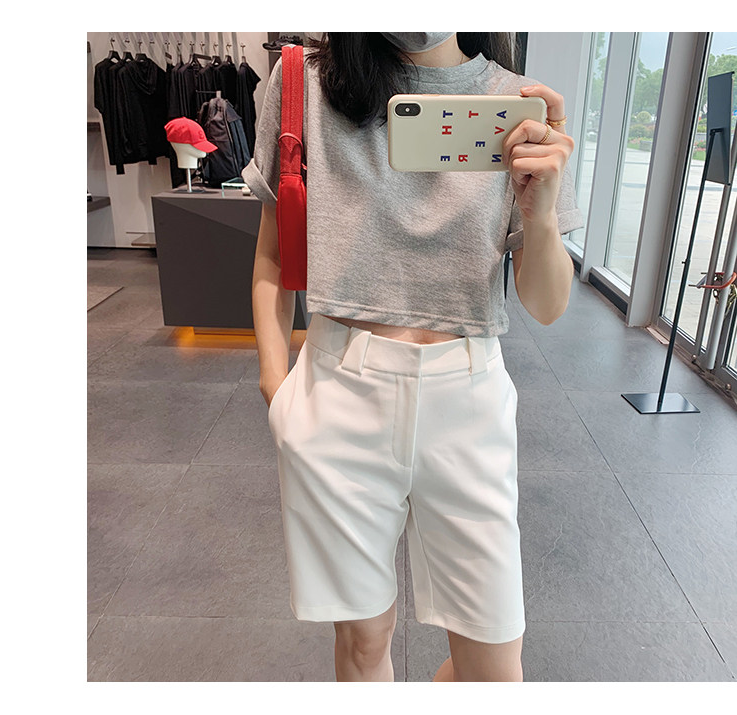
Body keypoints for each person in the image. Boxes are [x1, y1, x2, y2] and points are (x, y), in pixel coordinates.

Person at [244, 32, 584, 682]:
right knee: (363, 642)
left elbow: (546, 304)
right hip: (337, 392)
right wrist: (275, 382)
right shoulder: (304, 83)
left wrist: (539, 214)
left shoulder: (517, 103)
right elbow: (271, 252)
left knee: (495, 669)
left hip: (468, 400)